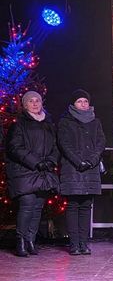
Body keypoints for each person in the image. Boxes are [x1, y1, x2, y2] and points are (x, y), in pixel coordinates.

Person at [5, 91, 59, 257]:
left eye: (37, 101)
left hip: (43, 173)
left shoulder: (48, 124)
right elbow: (15, 148)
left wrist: (51, 161)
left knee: (37, 207)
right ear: (25, 105)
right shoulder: (19, 124)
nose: (35, 104)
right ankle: (21, 241)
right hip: (25, 172)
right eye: (31, 101)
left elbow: (56, 147)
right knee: (27, 205)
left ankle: (30, 240)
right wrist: (35, 162)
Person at [58, 89, 106, 255]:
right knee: (73, 206)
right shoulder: (65, 122)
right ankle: (74, 244)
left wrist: (92, 160)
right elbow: (64, 144)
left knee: (86, 206)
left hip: (91, 169)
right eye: (80, 101)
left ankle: (84, 244)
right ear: (73, 104)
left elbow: (101, 142)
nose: (83, 104)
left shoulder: (95, 122)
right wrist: (79, 161)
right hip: (72, 169)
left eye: (85, 101)